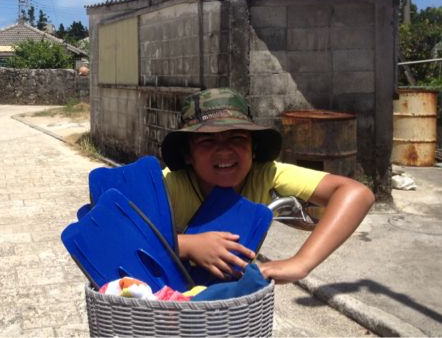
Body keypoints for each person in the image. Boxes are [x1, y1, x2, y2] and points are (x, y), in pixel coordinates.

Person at [160, 87, 375, 284]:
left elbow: (357, 194)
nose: (224, 150)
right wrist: (188, 245)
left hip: (234, 296)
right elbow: (136, 236)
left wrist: (301, 263)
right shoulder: (168, 184)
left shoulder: (266, 175)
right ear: (187, 154)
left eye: (237, 138)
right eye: (207, 140)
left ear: (253, 148)